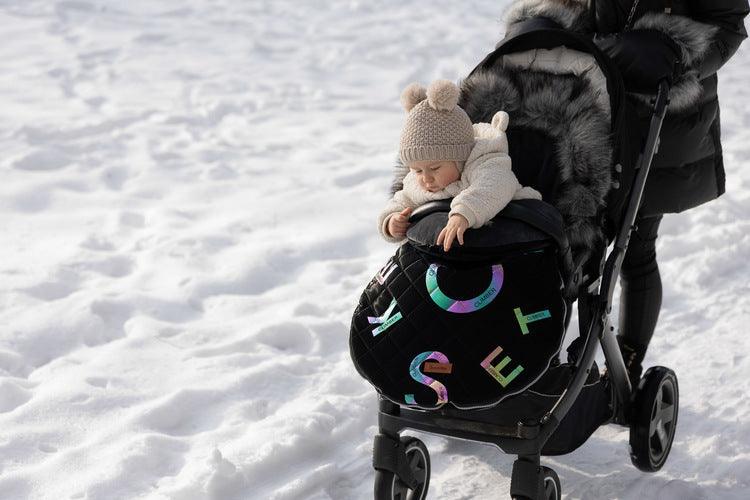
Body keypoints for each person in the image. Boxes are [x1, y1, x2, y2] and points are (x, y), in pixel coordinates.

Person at [505, 0, 749, 384]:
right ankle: (540, 360)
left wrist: (680, 59)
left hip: (659, 114)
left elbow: (727, 24)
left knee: (634, 248)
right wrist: (548, 29)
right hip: (586, 103)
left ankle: (626, 366)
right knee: (561, 242)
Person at [378, 79, 541, 252]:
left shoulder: (485, 162)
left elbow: (497, 184)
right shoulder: (415, 184)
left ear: (460, 158)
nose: (425, 178)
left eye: (435, 168)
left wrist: (464, 212)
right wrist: (391, 221)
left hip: (508, 241)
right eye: (417, 170)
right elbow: (401, 200)